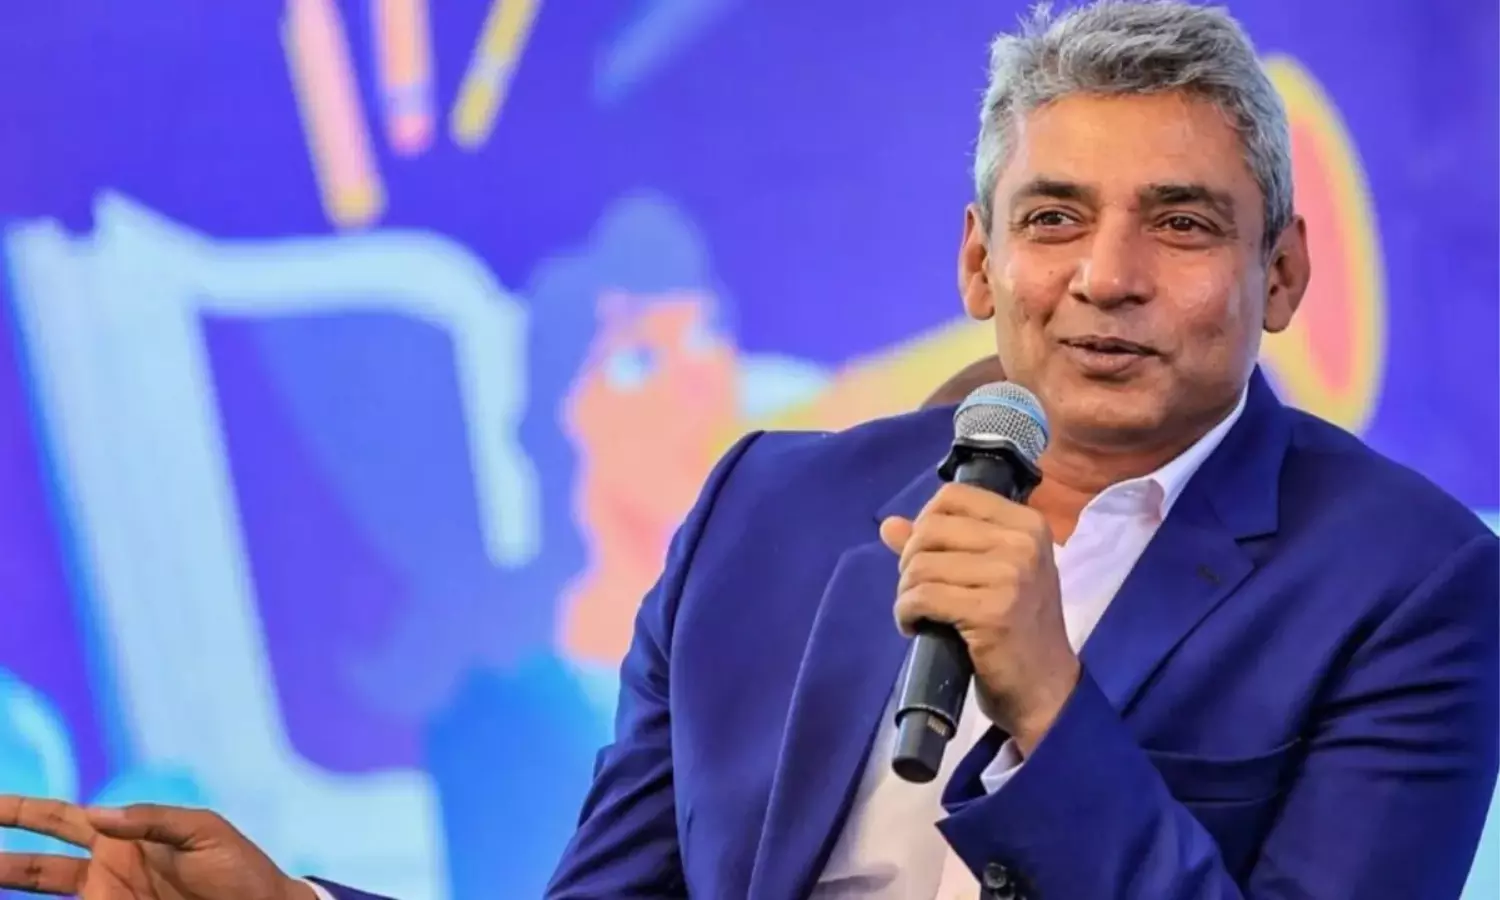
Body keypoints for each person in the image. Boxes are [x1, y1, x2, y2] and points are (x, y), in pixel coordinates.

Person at [2, 1, 1496, 898]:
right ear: (978, 264)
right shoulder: (765, 513)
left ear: (1281, 275)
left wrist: (1047, 701)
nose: (1106, 276)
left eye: (1179, 223)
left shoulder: (1412, 584)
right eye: (1053, 219)